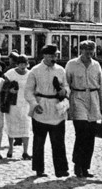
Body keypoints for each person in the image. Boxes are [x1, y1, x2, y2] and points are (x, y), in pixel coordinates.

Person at [24, 44, 70, 178]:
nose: (53, 58)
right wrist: (33, 104)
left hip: (57, 107)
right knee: (39, 141)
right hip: (41, 107)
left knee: (58, 141)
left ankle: (61, 169)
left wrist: (64, 91)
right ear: (44, 55)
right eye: (51, 56)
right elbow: (28, 91)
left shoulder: (61, 70)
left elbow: (67, 86)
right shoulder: (35, 71)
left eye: (55, 56)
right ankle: (39, 169)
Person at [65, 40, 102, 178]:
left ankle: (86, 166)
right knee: (81, 132)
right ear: (81, 51)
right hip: (78, 98)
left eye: (91, 51)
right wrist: (66, 104)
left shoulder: (96, 65)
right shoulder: (71, 65)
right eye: (86, 51)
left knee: (90, 136)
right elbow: (67, 84)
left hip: (93, 99)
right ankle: (78, 165)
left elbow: (101, 87)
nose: (89, 54)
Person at [3, 54, 31, 159]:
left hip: (25, 104)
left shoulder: (30, 74)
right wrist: (9, 90)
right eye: (20, 64)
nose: (23, 66)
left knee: (26, 126)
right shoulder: (10, 74)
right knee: (11, 126)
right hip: (13, 104)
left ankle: (25, 151)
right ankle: (10, 149)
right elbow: (3, 87)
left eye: (25, 64)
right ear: (17, 64)